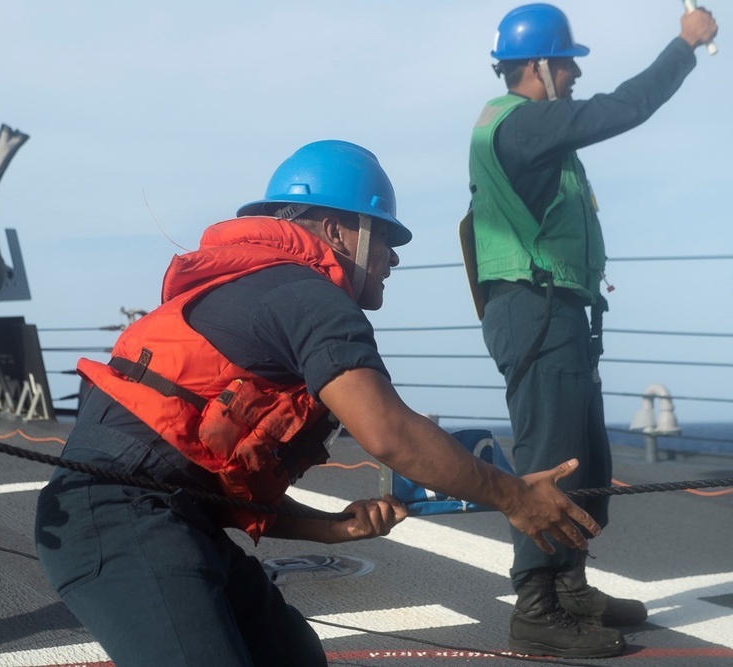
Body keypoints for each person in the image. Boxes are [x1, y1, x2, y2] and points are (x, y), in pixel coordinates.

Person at [36, 139, 605, 667]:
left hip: (163, 518)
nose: (394, 259)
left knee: (294, 656)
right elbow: (389, 434)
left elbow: (201, 479)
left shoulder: (266, 285)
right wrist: (513, 496)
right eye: (384, 238)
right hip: (121, 521)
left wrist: (331, 529)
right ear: (338, 231)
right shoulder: (309, 297)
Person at [463, 2, 719, 659]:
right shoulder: (523, 127)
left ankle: (571, 585)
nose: (575, 74)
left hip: (555, 312)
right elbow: (621, 107)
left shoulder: (534, 132)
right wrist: (684, 46)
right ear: (539, 67)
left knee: (583, 459)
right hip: (535, 311)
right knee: (548, 459)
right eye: (568, 63)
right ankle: (536, 608)